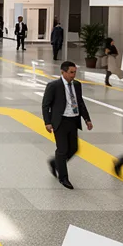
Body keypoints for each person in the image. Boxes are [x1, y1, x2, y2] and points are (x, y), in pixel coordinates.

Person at [43, 61, 92, 189]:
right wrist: (47, 122)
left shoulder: (76, 85)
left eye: (75, 72)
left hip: (73, 120)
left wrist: (87, 119)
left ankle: (55, 163)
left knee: (74, 148)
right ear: (63, 72)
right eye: (71, 72)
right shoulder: (53, 86)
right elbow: (45, 105)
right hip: (60, 121)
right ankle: (63, 178)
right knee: (62, 150)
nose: (73, 75)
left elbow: (80, 102)